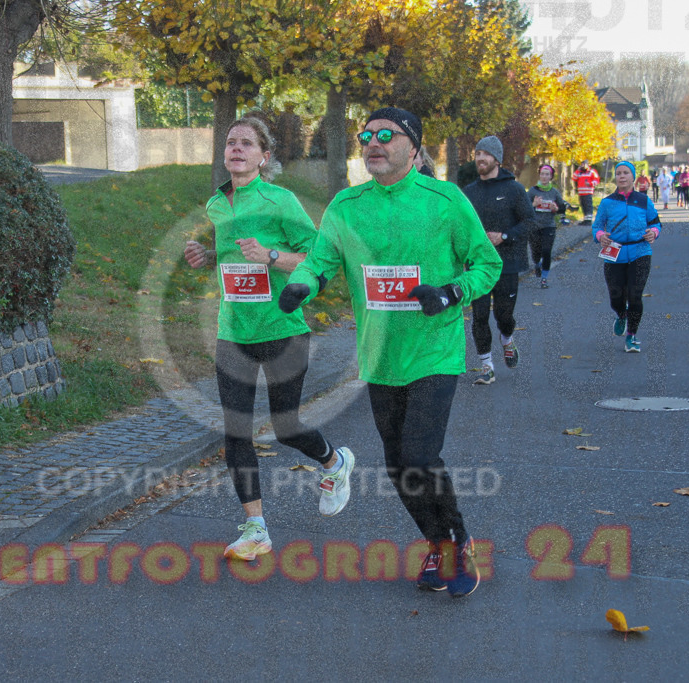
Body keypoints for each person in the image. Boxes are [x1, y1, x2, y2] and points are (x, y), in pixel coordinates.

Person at [279, 107, 501, 598]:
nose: (373, 143)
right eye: (366, 135)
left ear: (414, 148)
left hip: (434, 351)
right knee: (399, 464)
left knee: (421, 454)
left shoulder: (443, 199)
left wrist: (449, 292)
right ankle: (435, 542)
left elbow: (488, 263)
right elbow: (320, 262)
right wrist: (301, 287)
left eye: (386, 135)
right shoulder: (346, 205)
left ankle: (458, 543)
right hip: (380, 356)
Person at [183, 115, 354, 562]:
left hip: (282, 328)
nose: (235, 149)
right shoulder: (217, 205)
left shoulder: (281, 200)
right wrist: (207, 256)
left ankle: (335, 462)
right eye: (230, 142)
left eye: (246, 143)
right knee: (235, 431)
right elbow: (232, 253)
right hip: (233, 330)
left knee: (286, 426)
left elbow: (319, 257)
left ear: (264, 156)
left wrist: (272, 256)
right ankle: (255, 528)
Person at [462, 135, 538, 385]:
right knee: (479, 316)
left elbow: (530, 221)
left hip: (508, 263)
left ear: (496, 159)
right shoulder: (469, 192)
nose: (480, 158)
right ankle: (486, 366)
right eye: (477, 154)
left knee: (504, 316)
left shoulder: (514, 189)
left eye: (485, 154)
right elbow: (461, 228)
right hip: (478, 267)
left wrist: (504, 236)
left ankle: (507, 338)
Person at [593, 161, 662, 353]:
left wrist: (654, 233)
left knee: (635, 296)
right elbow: (597, 226)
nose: (622, 176)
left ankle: (631, 336)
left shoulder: (643, 200)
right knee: (616, 298)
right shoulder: (607, 202)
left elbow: (656, 223)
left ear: (633, 177)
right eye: (619, 173)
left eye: (625, 173)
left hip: (640, 252)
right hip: (614, 254)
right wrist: (600, 236)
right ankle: (621, 315)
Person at [526, 163, 568, 289]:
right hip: (534, 226)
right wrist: (534, 204)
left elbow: (562, 208)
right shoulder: (533, 191)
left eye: (547, 174)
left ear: (551, 177)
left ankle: (544, 279)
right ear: (539, 175)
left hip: (549, 226)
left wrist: (556, 208)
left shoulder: (554, 192)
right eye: (542, 174)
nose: (544, 177)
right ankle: (537, 264)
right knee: (536, 252)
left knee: (546, 251)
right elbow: (524, 208)